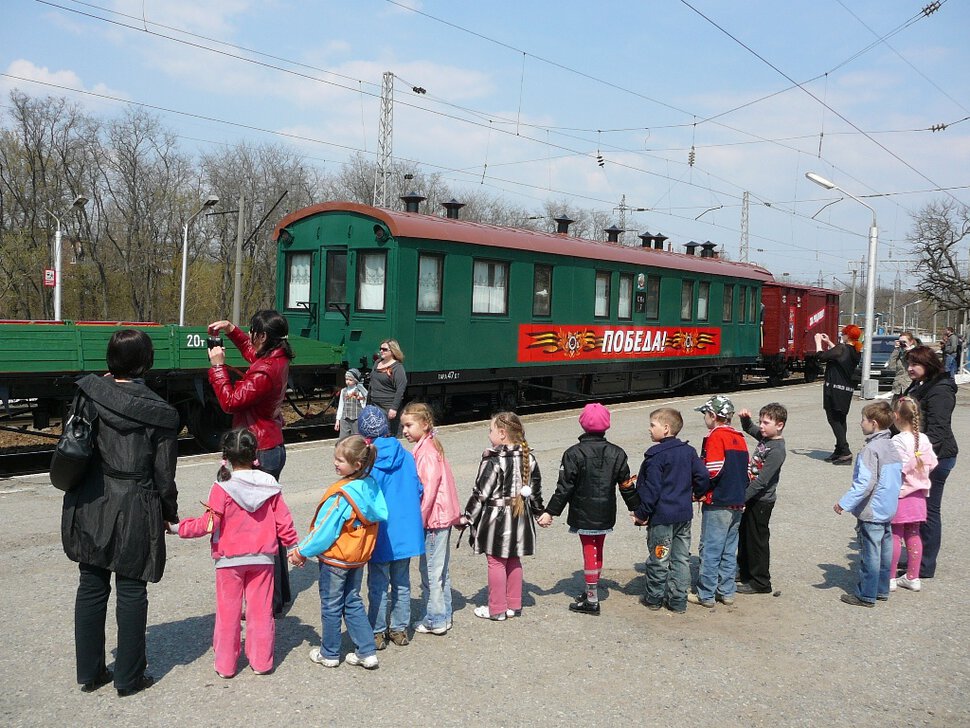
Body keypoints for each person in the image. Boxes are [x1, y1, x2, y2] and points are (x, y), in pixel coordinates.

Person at [61, 329, 179, 697]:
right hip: (136, 502)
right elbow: (164, 472)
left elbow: (74, 444)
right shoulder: (160, 412)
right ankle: (129, 678)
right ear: (145, 362)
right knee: (131, 589)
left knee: (91, 584)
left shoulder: (88, 392)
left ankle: (90, 672)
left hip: (93, 497)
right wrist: (168, 511)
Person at [174, 428, 298, 678]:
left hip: (229, 560)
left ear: (226, 456)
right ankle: (262, 662)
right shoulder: (270, 485)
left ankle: (226, 665)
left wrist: (178, 528)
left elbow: (208, 524)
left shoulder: (222, 487)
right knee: (261, 612)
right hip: (263, 559)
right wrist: (294, 546)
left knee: (228, 614)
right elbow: (283, 521)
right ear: (255, 455)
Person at [208, 310, 294, 616]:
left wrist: (218, 368)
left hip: (262, 451)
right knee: (269, 527)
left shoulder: (265, 371)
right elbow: (252, 353)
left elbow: (230, 400)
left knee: (262, 531)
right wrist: (232, 329)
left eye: (253, 332)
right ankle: (277, 597)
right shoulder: (276, 357)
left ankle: (268, 600)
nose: (251, 337)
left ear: (264, 336)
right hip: (270, 443)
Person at [289, 436, 388, 670]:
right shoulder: (370, 485)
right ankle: (366, 651)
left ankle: (330, 652)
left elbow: (325, 531)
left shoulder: (343, 494)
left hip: (336, 557)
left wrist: (301, 551)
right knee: (353, 600)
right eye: (335, 458)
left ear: (356, 465)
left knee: (331, 605)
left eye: (340, 460)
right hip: (358, 557)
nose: (335, 463)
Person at [538, 403, 639, 616]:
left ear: (583, 425)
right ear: (607, 426)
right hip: (606, 511)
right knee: (597, 548)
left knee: (588, 550)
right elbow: (626, 485)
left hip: (583, 511)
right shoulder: (617, 453)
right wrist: (636, 508)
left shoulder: (573, 453)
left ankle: (592, 599)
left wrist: (550, 512)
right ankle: (590, 590)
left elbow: (564, 488)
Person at [461, 412, 544, 621]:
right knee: (514, 558)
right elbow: (535, 492)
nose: (489, 434)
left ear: (502, 433)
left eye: (490, 430)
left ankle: (496, 608)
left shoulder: (493, 459)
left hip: (496, 519)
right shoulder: (529, 458)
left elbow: (481, 493)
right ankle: (513, 604)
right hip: (521, 516)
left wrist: (467, 517)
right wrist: (539, 513)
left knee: (496, 561)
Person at [357, 406, 425, 649]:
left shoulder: (368, 462)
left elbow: (364, 498)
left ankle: (376, 632)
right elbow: (419, 489)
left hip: (381, 533)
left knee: (377, 585)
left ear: (365, 436)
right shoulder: (407, 455)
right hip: (406, 532)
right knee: (402, 583)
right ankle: (399, 630)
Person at [632, 408, 708, 614]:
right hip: (683, 515)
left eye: (652, 425)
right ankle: (678, 601)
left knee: (659, 557)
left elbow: (651, 490)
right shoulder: (689, 452)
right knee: (681, 558)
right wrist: (696, 493)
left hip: (662, 518)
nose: (649, 429)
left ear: (665, 428)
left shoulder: (656, 456)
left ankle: (654, 598)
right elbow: (702, 476)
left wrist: (642, 513)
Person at [833, 401, 903, 607]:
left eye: (863, 420)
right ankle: (881, 589)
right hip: (888, 508)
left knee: (869, 554)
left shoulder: (870, 450)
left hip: (872, 510)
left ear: (873, 423)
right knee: (884, 551)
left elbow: (865, 483)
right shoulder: (891, 446)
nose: (860, 423)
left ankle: (866, 594)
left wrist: (844, 503)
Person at [400, 402, 461, 634]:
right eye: (403, 425)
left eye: (409, 425)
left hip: (433, 520)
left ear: (424, 425)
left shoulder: (425, 452)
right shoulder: (429, 446)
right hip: (440, 517)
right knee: (440, 570)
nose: (404, 430)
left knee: (431, 572)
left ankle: (435, 619)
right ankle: (443, 615)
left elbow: (427, 490)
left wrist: (418, 520)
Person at [688, 395, 749, 609]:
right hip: (737, 501)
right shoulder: (739, 437)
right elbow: (748, 472)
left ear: (713, 416)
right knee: (728, 549)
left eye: (705, 414)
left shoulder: (715, 436)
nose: (705, 418)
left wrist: (699, 490)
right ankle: (727, 591)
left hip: (718, 501)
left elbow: (711, 470)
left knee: (711, 548)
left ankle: (706, 594)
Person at [904, 345, 958, 579]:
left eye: (914, 364)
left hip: (937, 457)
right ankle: (917, 559)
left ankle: (925, 565)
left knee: (928, 511)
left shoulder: (940, 391)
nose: (909, 368)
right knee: (919, 510)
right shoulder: (921, 384)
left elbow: (937, 430)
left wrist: (913, 456)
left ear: (928, 365)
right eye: (908, 364)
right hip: (923, 455)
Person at [736, 403, 788, 595]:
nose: (761, 426)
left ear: (780, 425)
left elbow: (762, 481)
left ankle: (761, 581)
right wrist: (745, 419)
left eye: (766, 422)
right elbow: (749, 428)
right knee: (745, 535)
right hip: (752, 497)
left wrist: (742, 498)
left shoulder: (777, 450)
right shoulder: (766, 437)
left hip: (761, 501)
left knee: (757, 540)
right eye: (761, 422)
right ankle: (744, 571)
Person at [889, 397, 937, 593]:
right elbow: (933, 462)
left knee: (894, 536)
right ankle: (913, 576)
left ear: (896, 416)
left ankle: (890, 577)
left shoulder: (897, 440)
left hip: (901, 494)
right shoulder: (923, 438)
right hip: (919, 495)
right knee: (914, 534)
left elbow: (897, 468)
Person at [815, 324, 863, 464]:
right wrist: (829, 342)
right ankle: (839, 449)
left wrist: (818, 342)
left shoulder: (842, 349)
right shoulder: (855, 350)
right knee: (841, 419)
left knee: (834, 419)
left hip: (834, 389)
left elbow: (821, 357)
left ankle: (845, 451)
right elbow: (839, 356)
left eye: (843, 333)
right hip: (845, 390)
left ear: (847, 335)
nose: (841, 335)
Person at [367, 338, 408, 436]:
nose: (381, 351)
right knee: (375, 433)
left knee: (389, 434)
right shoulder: (377, 363)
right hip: (374, 404)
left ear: (393, 351)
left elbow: (400, 389)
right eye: (380, 348)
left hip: (388, 406)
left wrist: (394, 408)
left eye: (385, 349)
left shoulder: (397, 368)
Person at [335, 368, 368, 442]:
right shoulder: (344, 391)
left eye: (350, 380)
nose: (348, 382)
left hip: (356, 418)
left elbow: (364, 405)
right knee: (343, 439)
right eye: (346, 379)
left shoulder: (359, 391)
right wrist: (338, 420)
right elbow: (341, 405)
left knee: (356, 438)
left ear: (356, 380)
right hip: (345, 418)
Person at [886, 331, 917, 406]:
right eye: (900, 342)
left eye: (904, 342)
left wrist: (908, 350)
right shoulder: (899, 353)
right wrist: (896, 349)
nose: (902, 344)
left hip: (909, 387)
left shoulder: (916, 353)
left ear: (911, 341)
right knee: (894, 411)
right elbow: (891, 366)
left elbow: (913, 363)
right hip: (898, 388)